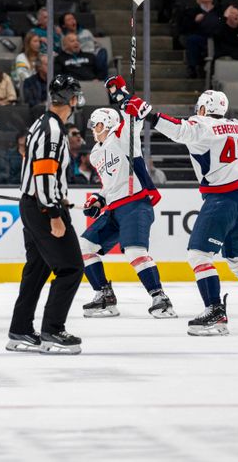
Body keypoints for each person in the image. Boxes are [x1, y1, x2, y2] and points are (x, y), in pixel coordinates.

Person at [125, 89, 238, 335]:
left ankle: (214, 311)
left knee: (199, 255)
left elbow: (178, 129)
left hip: (222, 200)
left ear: (201, 109)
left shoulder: (201, 126)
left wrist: (148, 114)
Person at [78, 76, 175, 319]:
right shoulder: (95, 154)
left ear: (108, 125)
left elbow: (134, 117)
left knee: (134, 251)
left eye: (97, 125)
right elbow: (109, 183)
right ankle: (104, 296)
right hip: (114, 209)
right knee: (86, 247)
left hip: (135, 204)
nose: (92, 129)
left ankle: (160, 298)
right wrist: (98, 199)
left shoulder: (122, 138)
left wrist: (122, 94)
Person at [8, 75, 85, 354]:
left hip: (34, 205)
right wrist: (53, 212)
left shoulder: (44, 125)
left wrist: (54, 198)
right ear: (72, 99)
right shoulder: (52, 129)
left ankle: (20, 330)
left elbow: (43, 173)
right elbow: (43, 173)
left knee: (37, 271)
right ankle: (52, 330)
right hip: (43, 209)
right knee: (71, 268)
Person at [180, 0, 221, 79]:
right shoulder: (192, 11)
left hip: (218, 38)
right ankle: (192, 68)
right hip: (201, 38)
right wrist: (195, 21)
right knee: (192, 40)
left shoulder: (219, 10)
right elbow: (185, 28)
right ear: (198, 0)